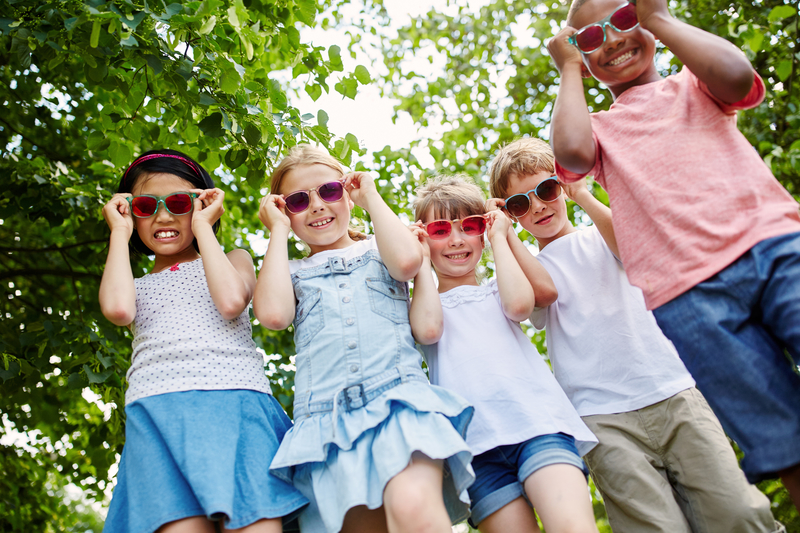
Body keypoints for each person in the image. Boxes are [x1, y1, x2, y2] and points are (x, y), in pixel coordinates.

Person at [547, 0, 800, 507]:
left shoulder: (695, 83)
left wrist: (660, 18)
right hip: (690, 300)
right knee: (780, 440)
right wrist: (567, 68)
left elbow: (736, 76)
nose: (613, 40)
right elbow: (570, 153)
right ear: (582, 57)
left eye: (622, 20)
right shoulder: (599, 129)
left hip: (772, 250)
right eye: (592, 38)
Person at [488, 136, 782, 533]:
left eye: (547, 189)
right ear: (512, 214)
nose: (538, 205)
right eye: (521, 203)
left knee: (737, 514)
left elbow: (632, 247)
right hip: (602, 417)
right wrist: (503, 234)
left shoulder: (600, 234)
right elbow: (542, 292)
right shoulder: (526, 269)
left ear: (562, 185)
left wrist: (584, 196)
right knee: (654, 527)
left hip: (673, 391)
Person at [254, 145, 474, 533]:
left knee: (414, 510)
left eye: (330, 191)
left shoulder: (379, 247)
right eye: (299, 201)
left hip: (398, 403)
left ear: (348, 194)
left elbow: (408, 262)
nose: (318, 206)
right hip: (327, 425)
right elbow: (272, 315)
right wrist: (277, 231)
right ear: (285, 211)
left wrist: (370, 195)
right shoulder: (290, 270)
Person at [99, 149, 308, 533]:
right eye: (146, 206)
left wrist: (203, 229)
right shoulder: (133, 284)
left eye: (178, 203)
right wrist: (118, 231)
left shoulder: (235, 259)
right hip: (157, 413)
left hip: (236, 406)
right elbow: (116, 309)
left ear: (201, 204)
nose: (163, 216)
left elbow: (230, 302)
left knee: (256, 524)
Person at [408, 174, 599, 533]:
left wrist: (501, 236)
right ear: (423, 237)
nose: (456, 239)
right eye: (439, 231)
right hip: (477, 449)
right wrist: (418, 262)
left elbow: (520, 304)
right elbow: (429, 330)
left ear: (483, 231)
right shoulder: (422, 305)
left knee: (573, 526)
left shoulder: (498, 288)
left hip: (538, 425)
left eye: (470, 226)